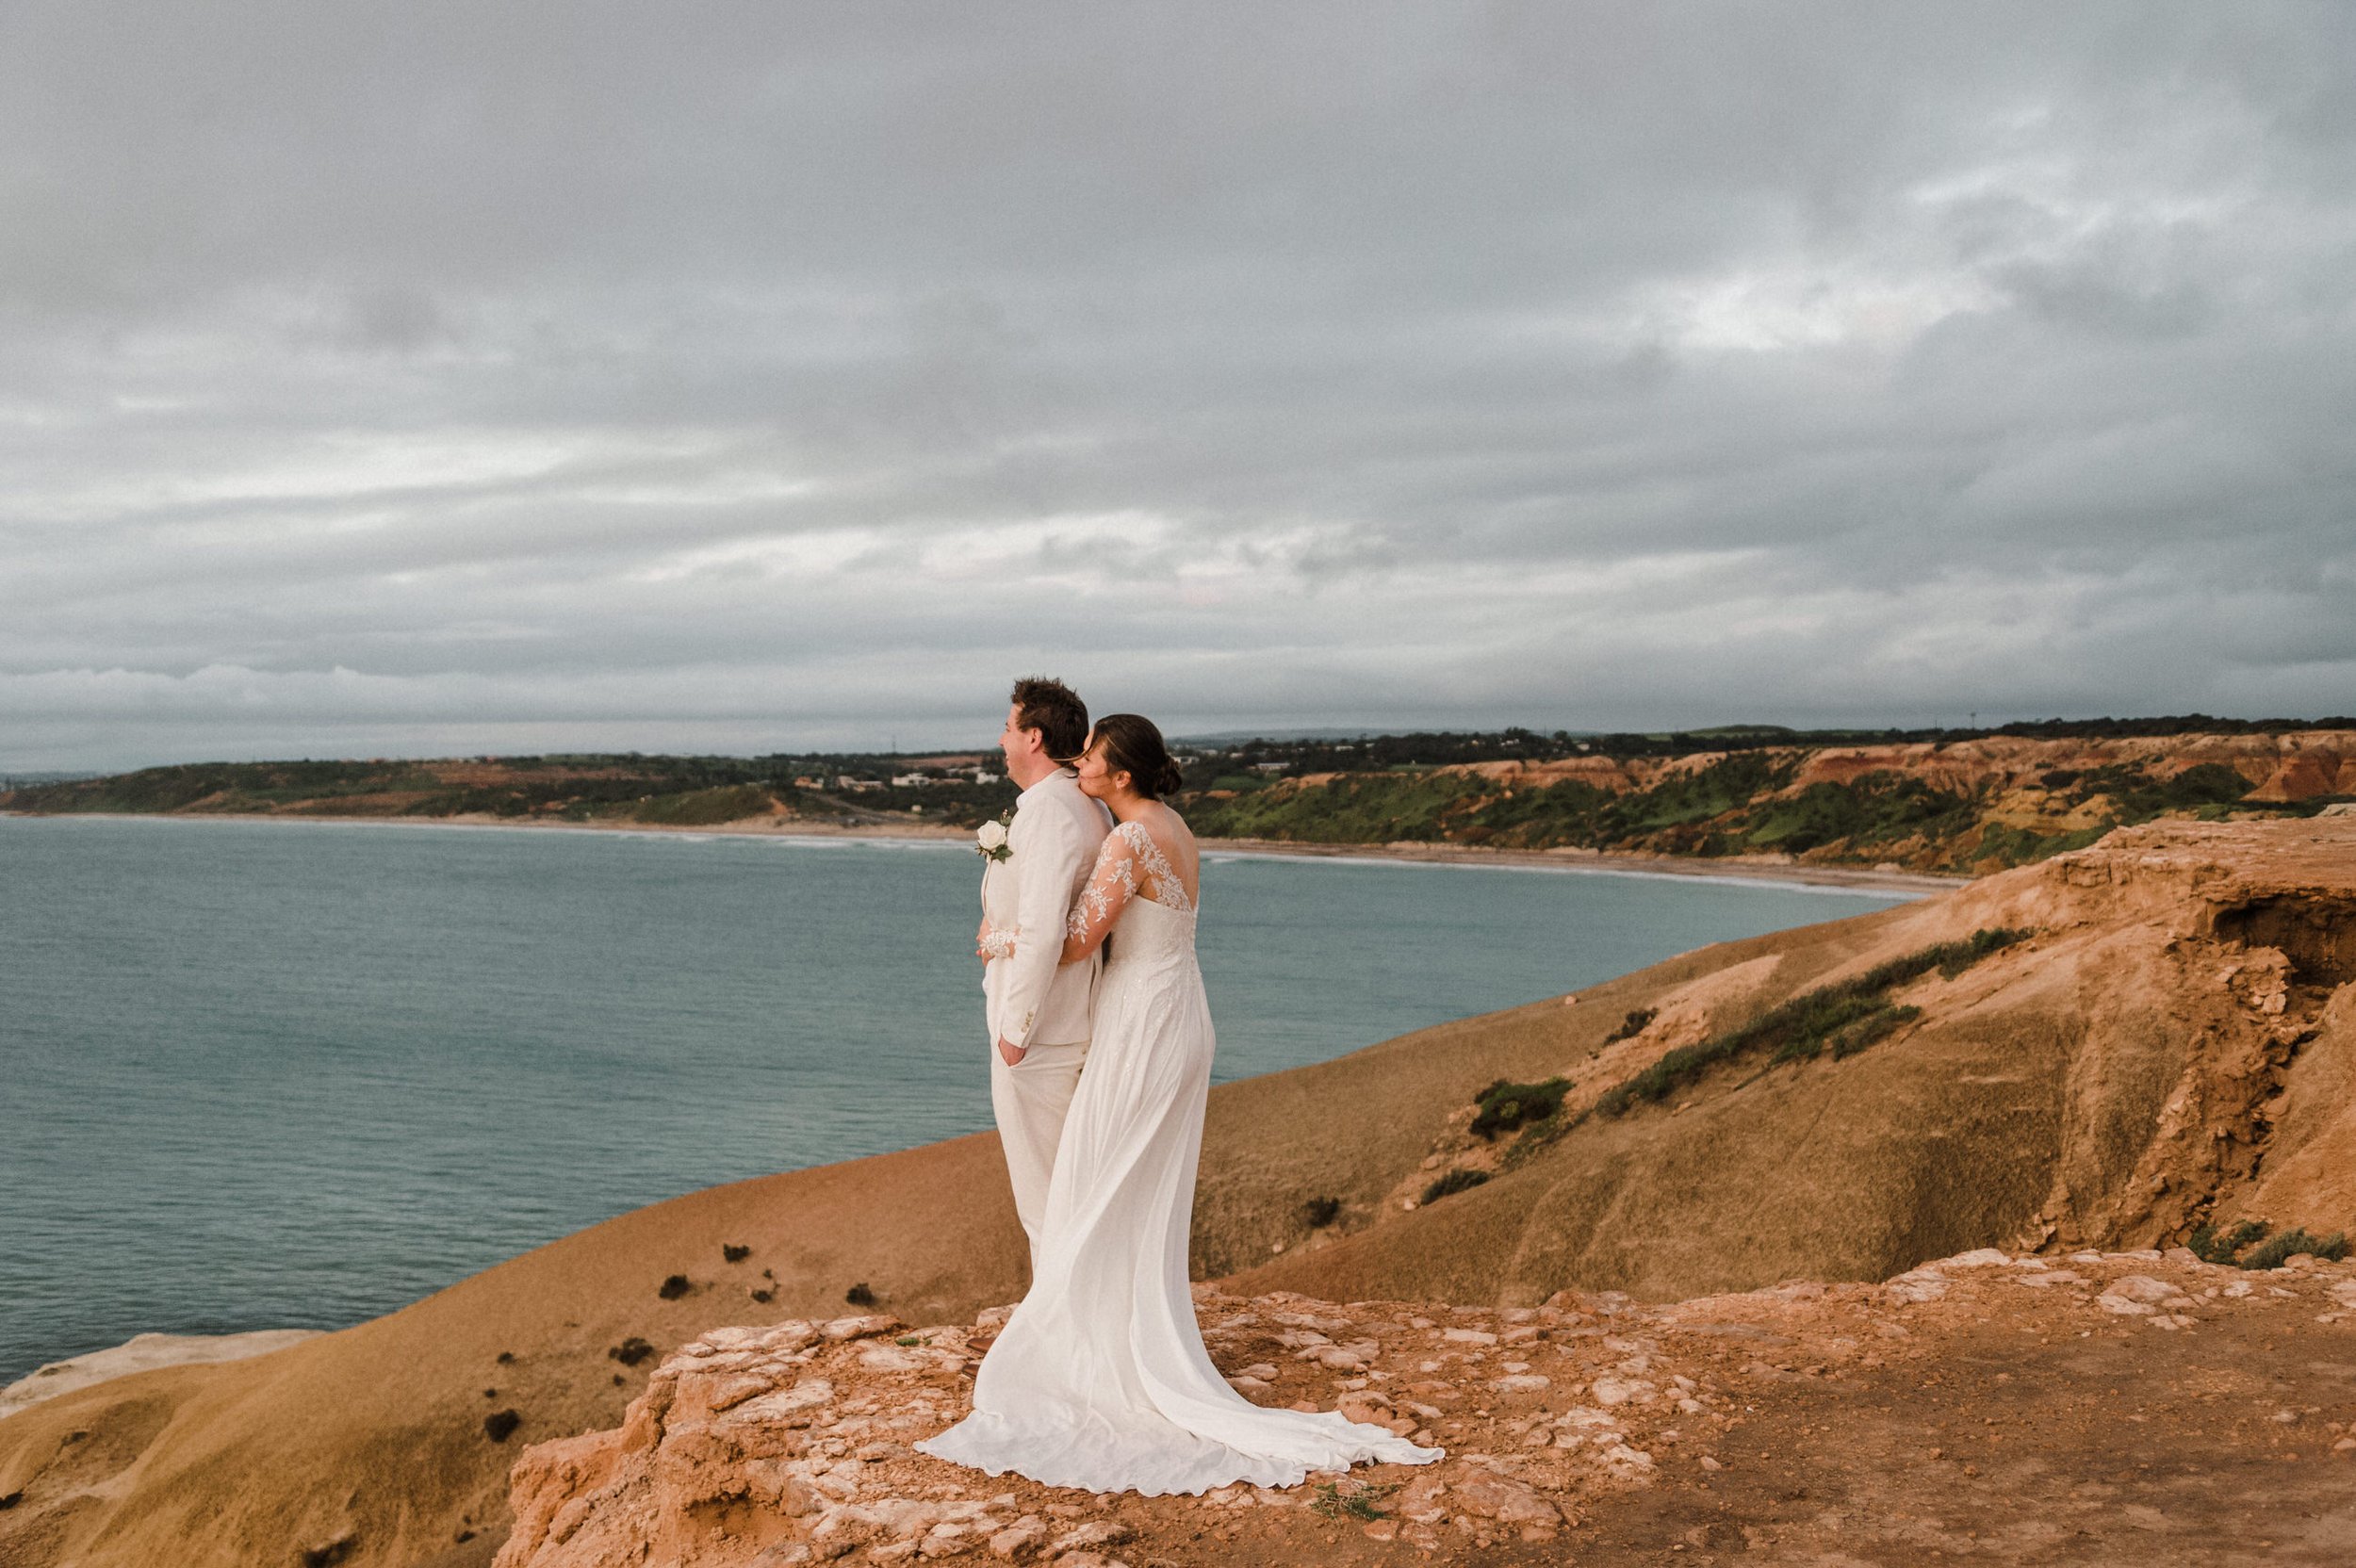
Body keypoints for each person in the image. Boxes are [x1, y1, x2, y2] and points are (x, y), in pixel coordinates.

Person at [923, 713, 1442, 1494]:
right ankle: (1125, 1332)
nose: (1081, 762)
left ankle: (1097, 1350)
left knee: (1098, 1180)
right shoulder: (1173, 826)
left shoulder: (1130, 840)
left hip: (1141, 1019)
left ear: (1120, 773)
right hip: (1177, 1010)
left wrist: (1000, 938)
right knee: (1132, 1185)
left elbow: (1073, 941)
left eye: (1092, 755)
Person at [978, 677, 1113, 1262]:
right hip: (1059, 1025)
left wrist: (1015, 1031)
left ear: (1034, 737)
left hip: (1042, 1034)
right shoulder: (1076, 803)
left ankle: (1056, 1342)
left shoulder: (1053, 810)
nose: (1000, 738)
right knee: (1058, 1191)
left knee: (1046, 1198)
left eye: (1008, 727)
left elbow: (1043, 931)